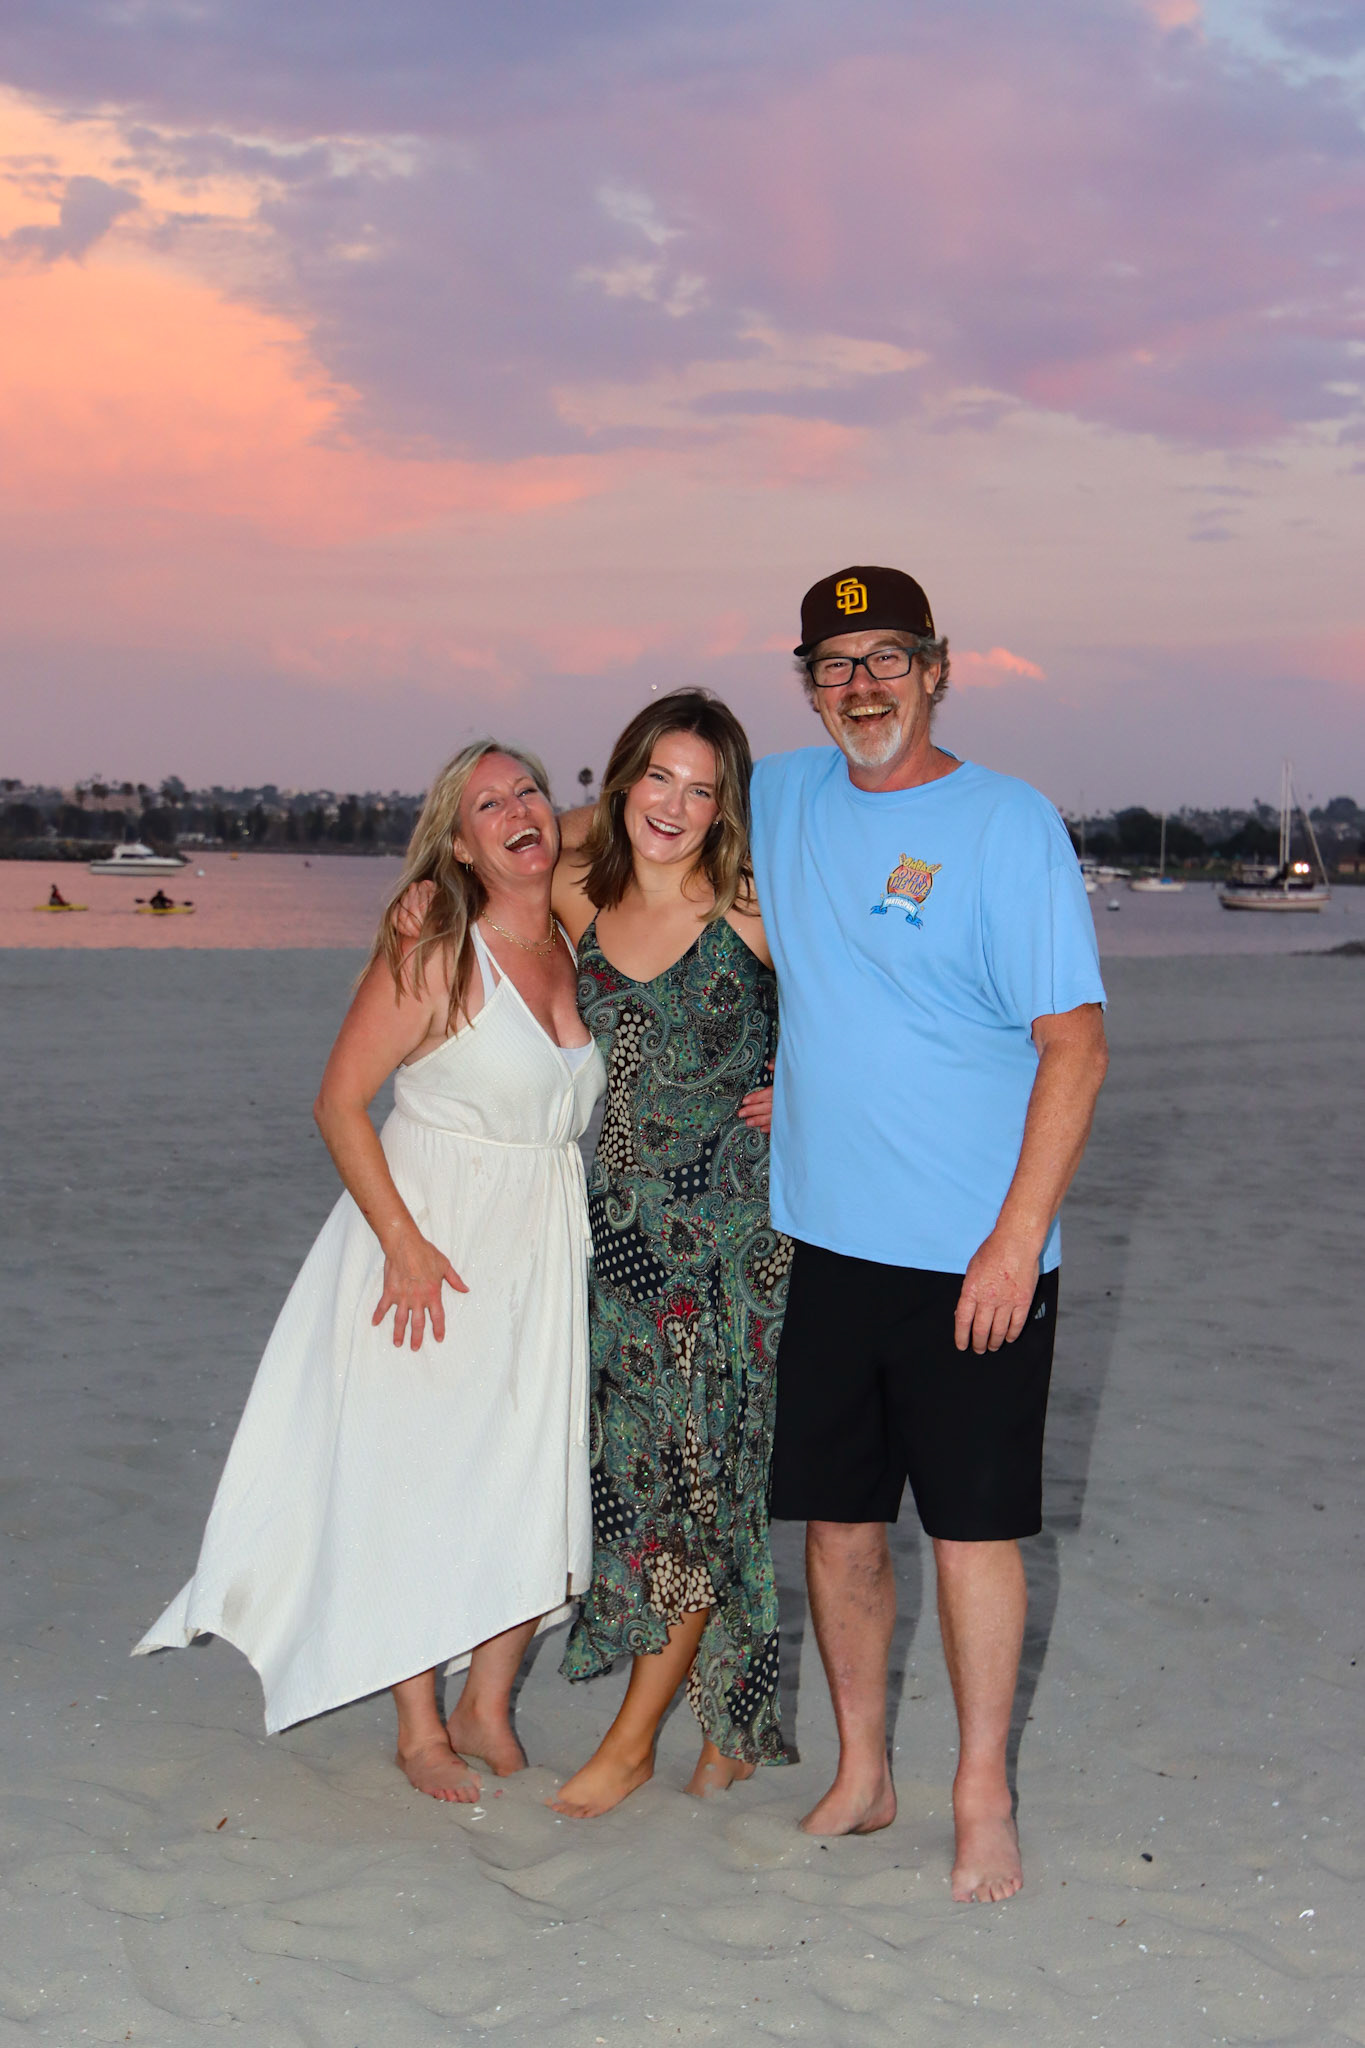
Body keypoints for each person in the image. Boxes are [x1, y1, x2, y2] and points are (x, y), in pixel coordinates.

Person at [135, 743, 605, 1803]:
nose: (519, 812)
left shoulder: (573, 929)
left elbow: (615, 816)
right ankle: (419, 1725)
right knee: (416, 1471)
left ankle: (487, 1702)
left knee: (529, 1468)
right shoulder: (436, 941)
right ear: (457, 842)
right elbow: (339, 1100)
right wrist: (401, 1240)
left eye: (528, 792)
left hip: (540, 1242)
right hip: (431, 1241)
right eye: (488, 804)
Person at [750, 566, 1108, 1903]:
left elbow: (1075, 1046)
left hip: (974, 1258)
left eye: (887, 657)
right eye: (835, 664)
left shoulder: (1008, 824)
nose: (863, 686)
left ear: (937, 668)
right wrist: (449, 888)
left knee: (971, 1532)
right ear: (807, 685)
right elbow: (620, 840)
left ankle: (979, 1791)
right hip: (824, 1239)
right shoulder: (778, 793)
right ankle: (863, 1770)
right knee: (839, 1527)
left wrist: (1016, 1240)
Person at [547, 691, 791, 1816]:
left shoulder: (752, 908)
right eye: (659, 777)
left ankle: (632, 1741)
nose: (676, 806)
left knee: (695, 1487)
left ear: (727, 807)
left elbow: (877, 1009)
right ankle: (729, 1726)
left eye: (703, 789)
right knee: (644, 1479)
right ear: (624, 778)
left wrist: (807, 1090)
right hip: (616, 1235)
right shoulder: (577, 897)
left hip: (731, 1245)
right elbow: (499, 839)